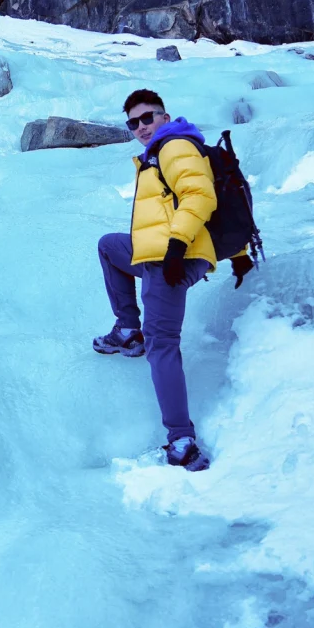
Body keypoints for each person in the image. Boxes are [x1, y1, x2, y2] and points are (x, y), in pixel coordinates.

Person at [93, 89, 251, 469]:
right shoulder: (161, 151)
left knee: (162, 345)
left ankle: (181, 439)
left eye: (148, 117)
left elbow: (200, 196)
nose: (141, 127)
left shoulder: (174, 146)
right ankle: (128, 330)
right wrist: (239, 254)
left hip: (170, 260)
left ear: (164, 116)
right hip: (161, 254)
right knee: (110, 247)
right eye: (133, 122)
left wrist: (177, 248)